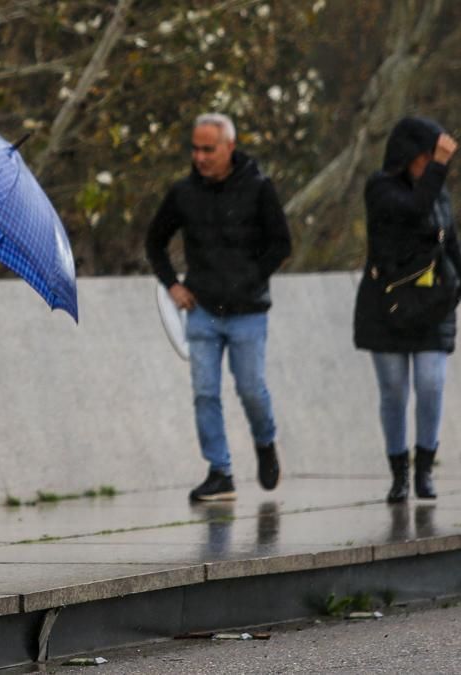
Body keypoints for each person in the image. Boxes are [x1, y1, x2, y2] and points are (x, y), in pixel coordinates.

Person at [145, 113, 292, 502]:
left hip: (248, 311)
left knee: (251, 389)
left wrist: (252, 277)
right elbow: (154, 242)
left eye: (208, 149)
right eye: (195, 148)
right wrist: (172, 285)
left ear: (229, 146)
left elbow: (282, 244)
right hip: (203, 311)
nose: (200, 157)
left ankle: (265, 442)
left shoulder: (259, 187)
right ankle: (219, 470)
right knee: (205, 392)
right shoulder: (184, 192)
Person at [353, 116, 461, 503]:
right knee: (393, 391)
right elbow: (412, 208)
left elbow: (452, 242)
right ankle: (399, 474)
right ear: (408, 155)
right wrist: (438, 168)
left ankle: (425, 468)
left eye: (435, 158)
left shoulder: (438, 190)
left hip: (433, 301)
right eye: (427, 157)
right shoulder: (380, 188)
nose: (432, 164)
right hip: (387, 302)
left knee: (430, 384)